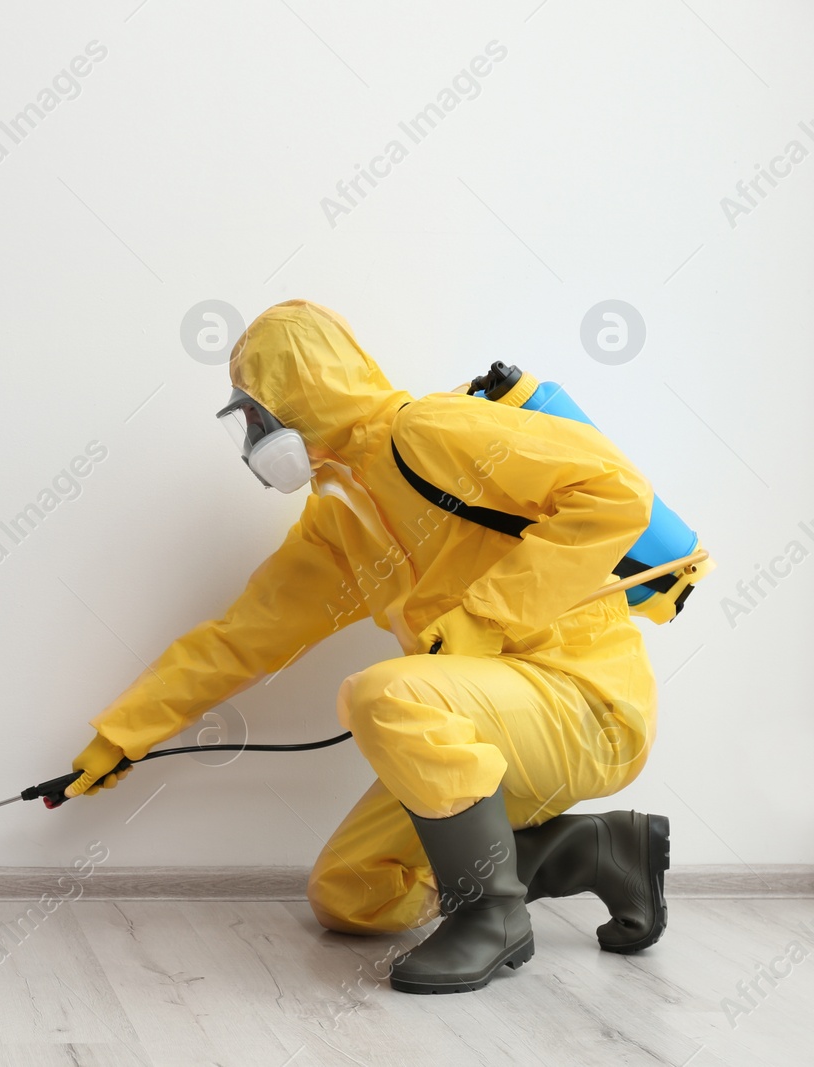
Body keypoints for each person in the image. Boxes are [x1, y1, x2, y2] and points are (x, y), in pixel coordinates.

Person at [64, 300, 670, 994]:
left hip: (586, 705)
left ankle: (491, 915)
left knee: (381, 692)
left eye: (259, 411)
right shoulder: (337, 522)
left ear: (305, 388)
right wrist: (124, 733)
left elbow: (617, 495)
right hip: (484, 731)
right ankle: (591, 850)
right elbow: (241, 638)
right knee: (352, 891)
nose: (256, 434)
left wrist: (482, 617)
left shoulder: (432, 429)